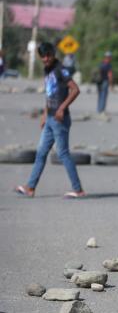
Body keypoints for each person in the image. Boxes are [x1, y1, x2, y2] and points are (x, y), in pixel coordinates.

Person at [15, 42, 85, 198]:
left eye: (48, 55)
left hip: (60, 120)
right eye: (43, 56)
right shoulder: (47, 70)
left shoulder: (61, 70)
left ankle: (78, 190)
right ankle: (30, 188)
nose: (46, 59)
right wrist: (45, 114)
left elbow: (75, 90)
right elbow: (49, 94)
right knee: (40, 153)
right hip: (50, 119)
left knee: (63, 154)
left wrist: (61, 108)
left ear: (53, 54)